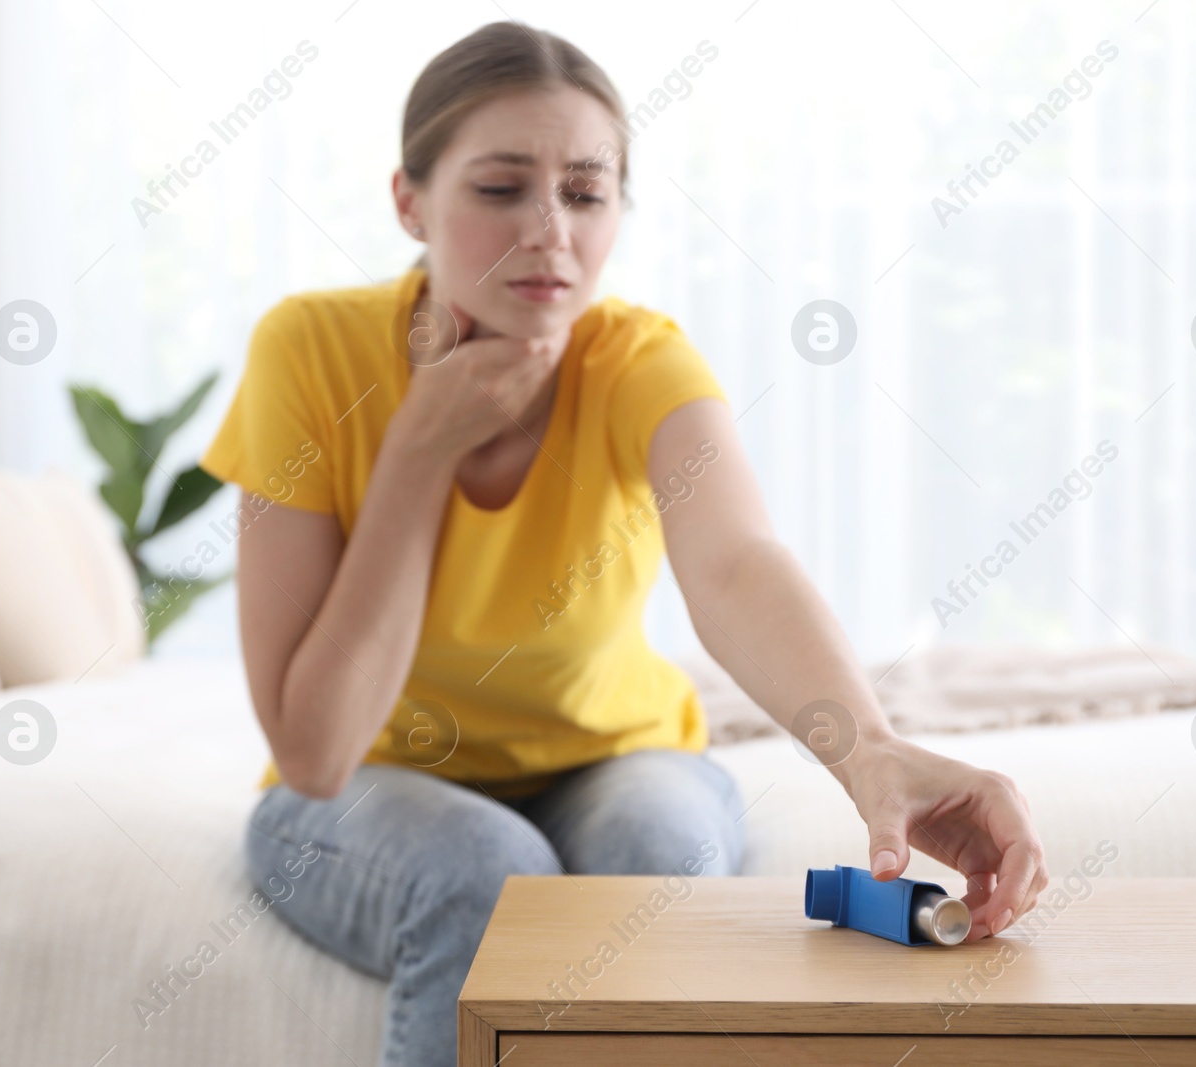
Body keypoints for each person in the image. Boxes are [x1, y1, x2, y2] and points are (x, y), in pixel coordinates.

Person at [199, 21, 1048, 1067]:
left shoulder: (637, 359)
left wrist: (869, 749)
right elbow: (315, 751)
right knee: (485, 869)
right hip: (366, 776)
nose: (549, 229)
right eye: (502, 188)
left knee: (657, 853)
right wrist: (418, 449)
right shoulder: (308, 349)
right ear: (409, 202)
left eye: (587, 193)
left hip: (612, 757)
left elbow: (736, 563)